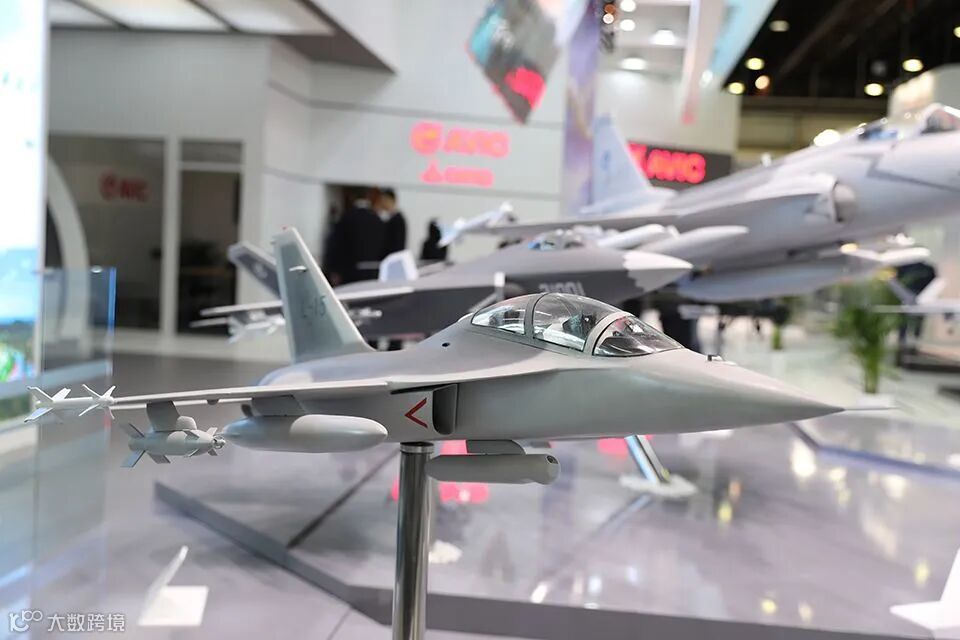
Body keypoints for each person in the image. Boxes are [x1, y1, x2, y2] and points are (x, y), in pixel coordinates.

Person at [326, 187, 385, 285]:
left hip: (350, 272)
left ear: (352, 197)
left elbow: (337, 245)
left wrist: (334, 269)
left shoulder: (347, 217)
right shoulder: (378, 220)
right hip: (373, 272)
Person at [378, 188, 407, 259]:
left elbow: (398, 244)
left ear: (392, 200)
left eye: (385, 200)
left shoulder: (398, 220)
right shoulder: (390, 218)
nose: (382, 203)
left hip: (393, 258)